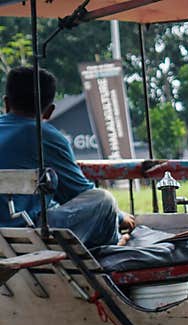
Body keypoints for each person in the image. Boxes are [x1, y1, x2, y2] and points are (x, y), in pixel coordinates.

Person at [0, 67, 135, 248]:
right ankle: (114, 243)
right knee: (103, 200)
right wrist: (119, 216)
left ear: (6, 103)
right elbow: (79, 192)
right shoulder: (43, 135)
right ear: (49, 111)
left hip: (4, 240)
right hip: (28, 236)